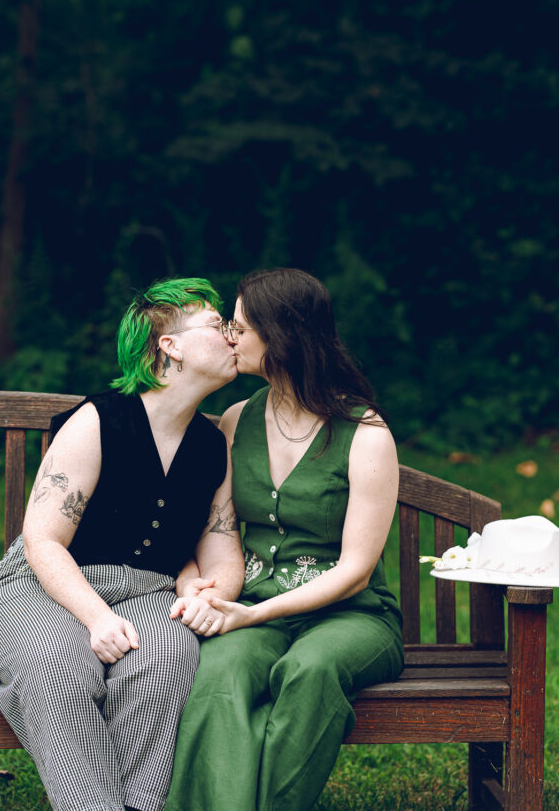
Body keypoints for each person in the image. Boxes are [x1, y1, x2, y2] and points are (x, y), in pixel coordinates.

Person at [0, 278, 245, 811]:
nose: (232, 335)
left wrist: (207, 596)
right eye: (217, 325)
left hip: (148, 592)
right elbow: (44, 540)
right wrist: (96, 617)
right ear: (170, 346)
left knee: (167, 661)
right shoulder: (98, 420)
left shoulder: (212, 446)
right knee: (58, 666)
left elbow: (222, 552)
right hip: (43, 586)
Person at [167, 267, 404, 811]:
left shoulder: (364, 433)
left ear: (281, 338)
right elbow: (215, 529)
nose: (229, 336)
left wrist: (249, 615)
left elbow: (356, 572)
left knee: (309, 669)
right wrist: (207, 589)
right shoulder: (234, 421)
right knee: (219, 673)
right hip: (251, 603)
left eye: (241, 327)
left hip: (354, 617)